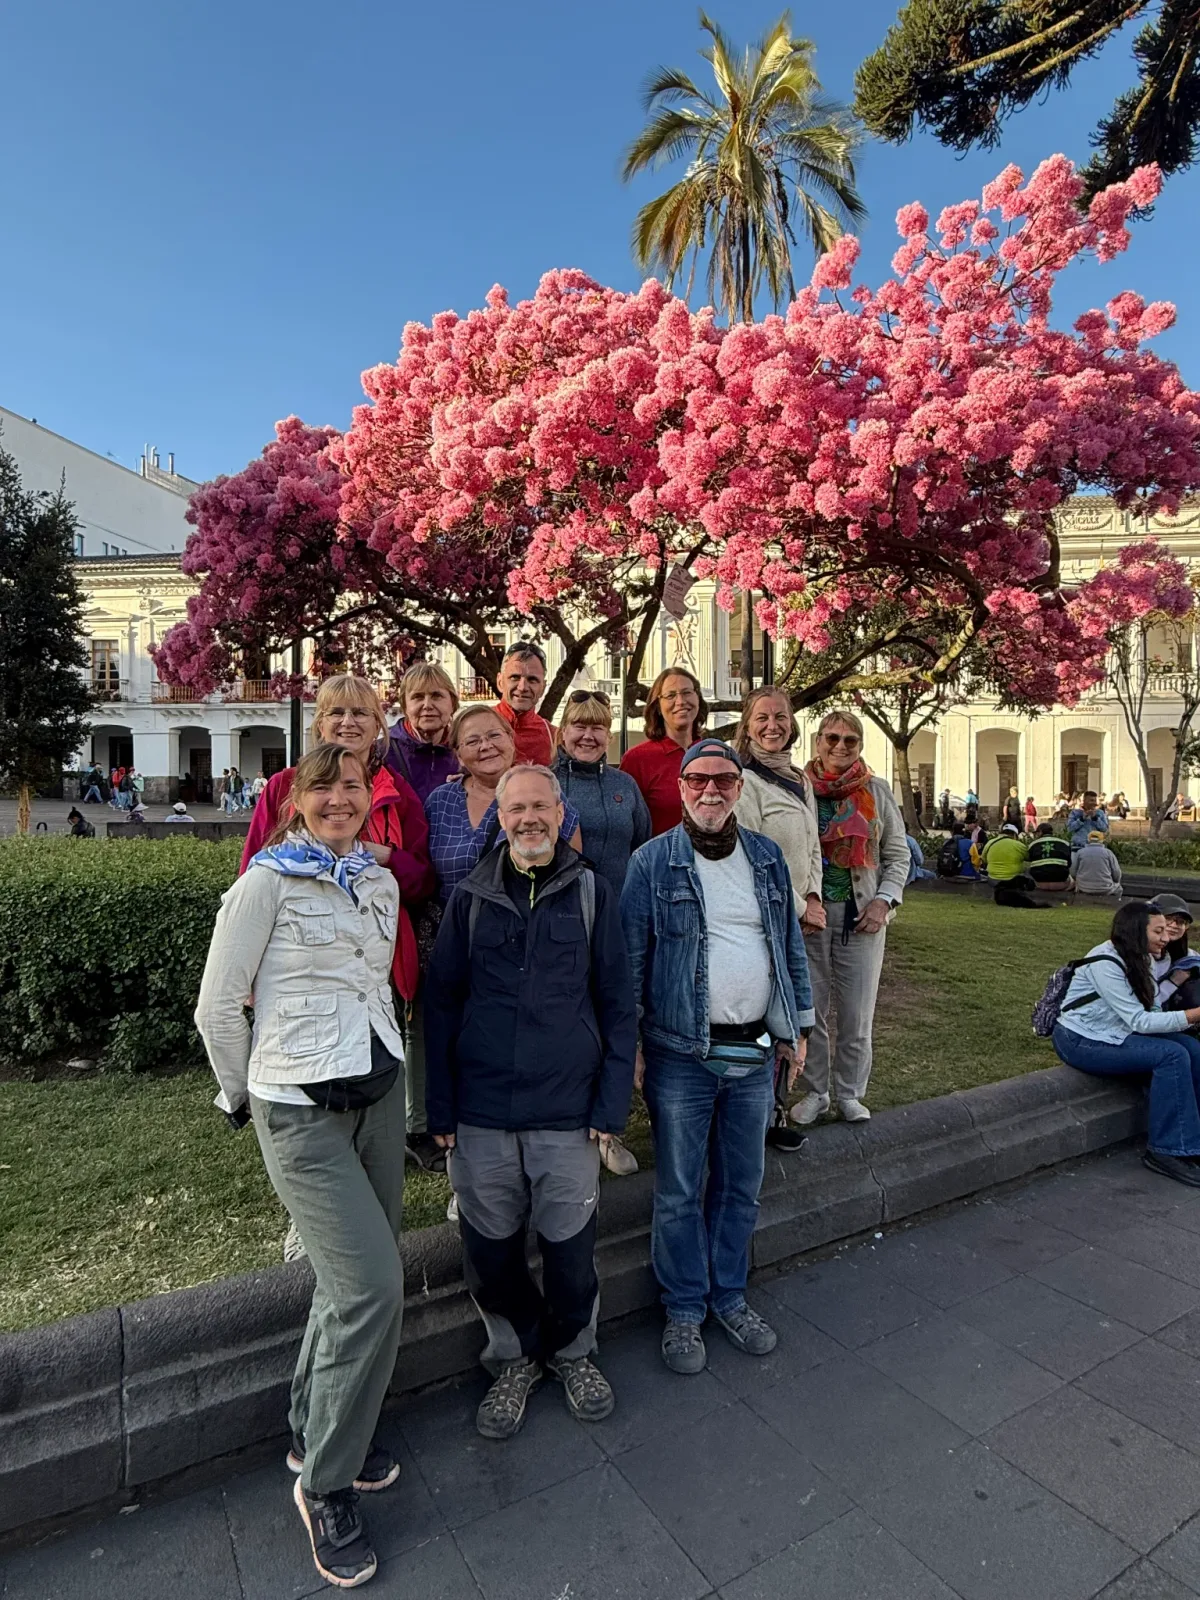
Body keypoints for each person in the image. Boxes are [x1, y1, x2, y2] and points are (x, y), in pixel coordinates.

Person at [195, 744, 407, 1590]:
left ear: (368, 799)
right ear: (294, 801)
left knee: (343, 1279)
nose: (339, 800)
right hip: (297, 1103)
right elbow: (218, 1004)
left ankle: (313, 1428)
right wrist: (242, 1097)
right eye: (323, 788)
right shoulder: (264, 884)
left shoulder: (379, 883)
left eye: (352, 787)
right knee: (371, 1288)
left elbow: (375, 988)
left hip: (380, 1091)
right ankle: (322, 1486)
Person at [424, 765, 636, 1439]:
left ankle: (573, 1352)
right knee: (490, 1251)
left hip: (567, 1111)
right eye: (515, 809)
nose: (528, 819)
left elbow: (618, 1006)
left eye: (539, 806)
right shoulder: (470, 899)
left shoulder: (593, 893)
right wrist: (441, 1107)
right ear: (502, 818)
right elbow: (441, 1003)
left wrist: (609, 1110)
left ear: (560, 811)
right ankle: (513, 1358)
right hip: (482, 1111)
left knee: (571, 1250)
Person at [621, 739, 813, 1374]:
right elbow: (632, 965)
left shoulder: (764, 858)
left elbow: (788, 945)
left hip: (757, 1049)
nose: (711, 791)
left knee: (741, 1183)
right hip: (681, 1054)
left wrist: (798, 1024)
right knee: (678, 1189)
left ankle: (729, 1295)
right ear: (680, 788)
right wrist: (635, 1048)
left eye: (724, 780)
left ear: (738, 788)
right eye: (698, 779)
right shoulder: (652, 862)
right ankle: (683, 1307)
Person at [241, 675, 433, 1024]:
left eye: (360, 712)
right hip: (297, 959)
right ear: (321, 723)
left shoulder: (397, 792)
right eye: (337, 712)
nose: (348, 722)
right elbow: (252, 874)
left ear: (377, 724)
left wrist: (381, 854)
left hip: (374, 961)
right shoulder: (284, 786)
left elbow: (422, 881)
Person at [789, 711, 908, 1127]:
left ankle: (850, 1093)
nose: (840, 747)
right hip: (811, 916)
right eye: (832, 738)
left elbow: (897, 854)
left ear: (860, 746)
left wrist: (884, 901)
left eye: (850, 741)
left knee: (857, 1014)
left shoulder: (875, 790)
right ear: (817, 741)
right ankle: (817, 1092)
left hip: (862, 915)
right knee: (813, 1012)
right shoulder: (798, 789)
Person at [730, 687, 822, 1154]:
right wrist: (800, 908)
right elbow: (756, 858)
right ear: (747, 726)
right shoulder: (744, 781)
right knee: (762, 1016)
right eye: (762, 717)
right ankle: (757, 1114)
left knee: (789, 1015)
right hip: (762, 917)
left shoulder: (800, 780)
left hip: (797, 915)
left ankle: (776, 1110)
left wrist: (814, 894)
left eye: (781, 716)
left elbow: (811, 845)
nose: (773, 725)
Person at [1051, 901, 1200, 1188]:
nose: (1166, 937)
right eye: (1158, 931)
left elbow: (1152, 1006)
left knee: (1192, 1049)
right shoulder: (1104, 962)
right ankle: (1166, 1151)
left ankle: (1190, 1139)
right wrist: (1194, 1015)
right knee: (1170, 1056)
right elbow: (1139, 1022)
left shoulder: (1140, 957)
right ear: (1135, 931)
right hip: (1081, 1039)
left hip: (1115, 1030)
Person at [426, 705, 582, 907]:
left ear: (511, 739)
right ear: (458, 754)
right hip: (454, 931)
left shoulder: (542, 790)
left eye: (494, 735)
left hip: (524, 929)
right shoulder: (439, 802)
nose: (486, 746)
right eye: (473, 741)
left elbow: (571, 869)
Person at [620, 666, 708, 836]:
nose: (681, 701)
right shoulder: (638, 759)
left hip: (713, 859)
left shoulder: (713, 753)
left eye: (687, 692)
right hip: (660, 859)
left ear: (698, 698)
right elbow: (626, 824)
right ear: (658, 707)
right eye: (670, 695)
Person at [386, 660, 461, 802]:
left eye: (436, 696)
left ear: (452, 703)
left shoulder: (468, 752)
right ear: (405, 706)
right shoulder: (382, 754)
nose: (427, 705)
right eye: (418, 697)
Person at [494, 641, 554, 766]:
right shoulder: (475, 727)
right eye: (514, 677)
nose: (522, 687)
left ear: (542, 688)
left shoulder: (553, 737)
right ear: (500, 682)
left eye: (532, 680)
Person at [1147, 894, 1200, 1006]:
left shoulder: (1191, 958)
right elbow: (1143, 1004)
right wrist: (1173, 982)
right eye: (1168, 918)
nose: (1174, 925)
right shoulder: (1133, 954)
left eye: (1181, 921)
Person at [1071, 829, 1123, 896]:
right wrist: (1116, 881)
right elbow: (1116, 873)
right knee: (1119, 888)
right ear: (1102, 840)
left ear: (1088, 840)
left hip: (1083, 888)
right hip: (1106, 888)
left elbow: (1073, 872)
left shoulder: (1080, 852)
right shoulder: (1108, 853)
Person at [1026, 822, 1073, 889]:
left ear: (1040, 832)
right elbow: (1069, 864)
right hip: (1060, 881)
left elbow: (1030, 860)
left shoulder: (1032, 845)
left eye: (1037, 833)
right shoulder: (1065, 843)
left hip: (1040, 882)